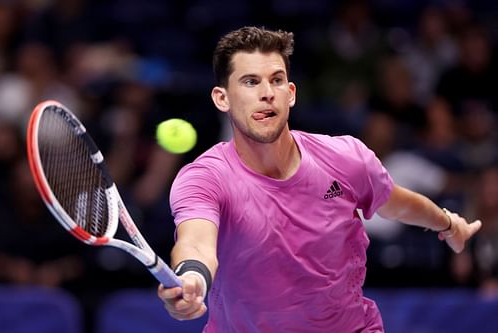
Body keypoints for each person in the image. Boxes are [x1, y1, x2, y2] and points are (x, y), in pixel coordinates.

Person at [157, 26, 482, 332]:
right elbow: (196, 242)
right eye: (250, 82)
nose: (267, 93)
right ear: (222, 98)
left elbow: (397, 203)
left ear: (291, 93)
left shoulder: (346, 158)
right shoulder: (205, 178)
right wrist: (193, 279)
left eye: (277, 80)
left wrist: (449, 225)